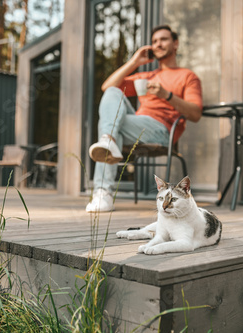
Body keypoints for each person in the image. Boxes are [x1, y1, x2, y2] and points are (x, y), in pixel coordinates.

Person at [86, 25, 203, 213]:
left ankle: (103, 191)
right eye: (155, 41)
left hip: (162, 131)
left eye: (163, 39)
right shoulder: (147, 76)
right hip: (136, 126)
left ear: (175, 44)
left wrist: (167, 95)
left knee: (112, 128)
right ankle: (109, 141)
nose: (158, 44)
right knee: (113, 92)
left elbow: (195, 114)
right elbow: (107, 86)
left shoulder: (187, 76)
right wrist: (134, 61)